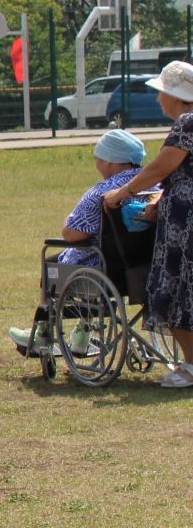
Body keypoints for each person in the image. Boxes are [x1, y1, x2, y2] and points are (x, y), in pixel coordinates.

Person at [7, 129, 146, 355]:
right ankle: (82, 331)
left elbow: (72, 234)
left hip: (105, 269)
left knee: (52, 263)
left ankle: (44, 332)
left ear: (109, 162)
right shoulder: (155, 187)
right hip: (143, 267)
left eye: (97, 159)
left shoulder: (101, 193)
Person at [100, 61, 193, 387]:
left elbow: (161, 167)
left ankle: (191, 366)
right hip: (180, 205)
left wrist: (122, 192)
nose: (158, 101)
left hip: (186, 218)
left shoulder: (187, 122)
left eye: (161, 94)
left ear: (174, 95)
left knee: (178, 285)